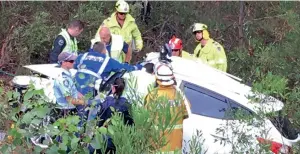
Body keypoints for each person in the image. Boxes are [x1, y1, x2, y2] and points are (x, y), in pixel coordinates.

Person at [145, 63, 189, 153]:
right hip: (175, 148)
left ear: (157, 78)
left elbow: (145, 119)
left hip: (158, 148)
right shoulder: (179, 95)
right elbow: (186, 114)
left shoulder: (152, 96)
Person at [73, 42, 142, 97]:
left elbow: (74, 66)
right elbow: (123, 68)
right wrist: (138, 67)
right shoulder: (107, 60)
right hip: (90, 89)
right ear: (103, 51)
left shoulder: (83, 56)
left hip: (74, 86)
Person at [88, 77, 134, 154]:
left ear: (113, 88)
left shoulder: (105, 102)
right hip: (121, 137)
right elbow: (130, 123)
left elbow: (99, 120)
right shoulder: (128, 104)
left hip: (105, 135)